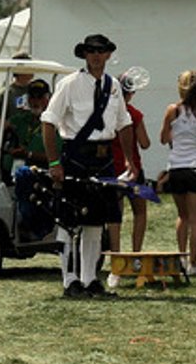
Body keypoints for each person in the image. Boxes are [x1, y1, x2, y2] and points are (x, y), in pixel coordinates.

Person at [41, 33, 141, 298]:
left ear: (108, 55)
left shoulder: (114, 86)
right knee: (68, 221)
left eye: (101, 50)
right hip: (75, 156)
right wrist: (54, 162)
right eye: (91, 50)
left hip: (104, 158)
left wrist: (131, 160)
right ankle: (69, 280)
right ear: (84, 55)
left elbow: (125, 124)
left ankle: (90, 280)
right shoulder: (69, 84)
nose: (96, 55)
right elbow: (48, 122)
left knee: (96, 223)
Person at [160, 69, 196, 274]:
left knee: (182, 216)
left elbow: (164, 138)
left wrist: (177, 133)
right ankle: (193, 263)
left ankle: (181, 257)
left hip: (176, 167)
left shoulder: (172, 110)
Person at [106, 71, 152, 255]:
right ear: (131, 93)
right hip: (132, 168)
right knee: (140, 212)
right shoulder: (134, 114)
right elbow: (145, 143)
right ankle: (135, 252)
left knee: (115, 215)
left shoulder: (107, 114)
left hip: (111, 168)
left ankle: (116, 253)